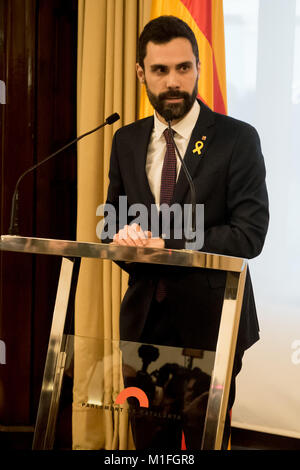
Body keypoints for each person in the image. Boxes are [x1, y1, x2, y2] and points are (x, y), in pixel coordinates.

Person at [102, 15, 269, 449]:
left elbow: (249, 235)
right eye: (160, 71)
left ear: (198, 67)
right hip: (144, 325)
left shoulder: (237, 139)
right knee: (148, 446)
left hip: (211, 323)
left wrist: (168, 241)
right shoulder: (125, 140)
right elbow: (113, 223)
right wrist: (120, 239)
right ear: (141, 73)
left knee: (202, 445)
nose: (174, 81)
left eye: (184, 68)